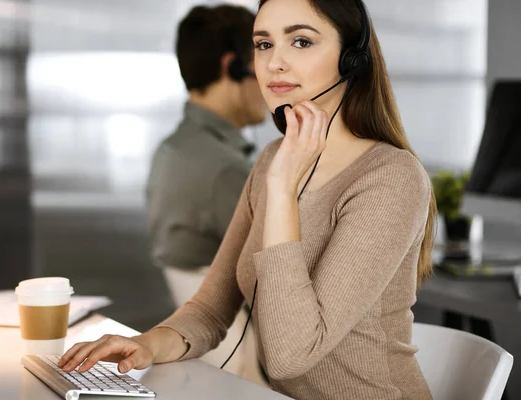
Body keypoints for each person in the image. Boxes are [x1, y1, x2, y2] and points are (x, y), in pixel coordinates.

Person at [59, 0, 438, 398]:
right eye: (263, 44)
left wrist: (282, 190)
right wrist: (148, 345)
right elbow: (210, 308)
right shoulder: (275, 158)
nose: (274, 62)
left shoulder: (390, 177)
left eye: (301, 42)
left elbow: (289, 356)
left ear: (352, 59)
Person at [144, 4, 268, 381]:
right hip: (246, 362)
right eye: (261, 57)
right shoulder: (225, 168)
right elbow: (280, 275)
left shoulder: (173, 149)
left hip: (211, 356)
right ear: (233, 67)